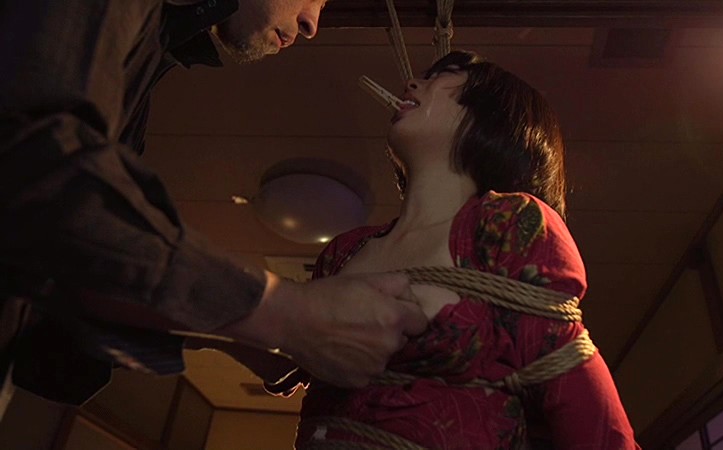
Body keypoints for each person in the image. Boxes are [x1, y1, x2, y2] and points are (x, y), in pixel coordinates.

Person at [0, 0, 427, 419]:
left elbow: (70, 264)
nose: (312, 23)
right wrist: (285, 313)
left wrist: (231, 333)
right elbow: (36, 171)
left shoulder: (155, 42)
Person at [274, 51, 640, 448]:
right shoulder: (344, 251)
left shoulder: (507, 228)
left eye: (443, 74)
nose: (411, 83)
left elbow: (582, 405)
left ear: (496, 114)